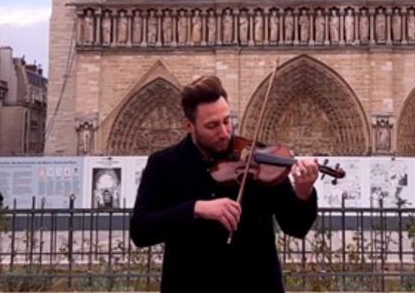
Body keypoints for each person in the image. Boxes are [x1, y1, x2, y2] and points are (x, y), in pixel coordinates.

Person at [130, 75, 320, 293]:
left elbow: (296, 226)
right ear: (189, 125)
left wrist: (303, 191)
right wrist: (196, 209)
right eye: (212, 126)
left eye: (227, 121)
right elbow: (141, 230)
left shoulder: (256, 158)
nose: (224, 132)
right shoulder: (164, 164)